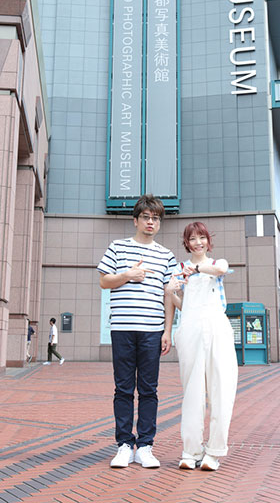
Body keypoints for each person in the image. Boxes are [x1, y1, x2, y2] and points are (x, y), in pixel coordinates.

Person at [97, 194, 177, 469]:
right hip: (122, 328)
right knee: (123, 388)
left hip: (152, 331)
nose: (151, 222)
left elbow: (169, 295)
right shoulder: (117, 247)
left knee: (148, 389)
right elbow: (104, 281)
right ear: (135, 220)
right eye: (146, 217)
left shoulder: (166, 255)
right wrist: (127, 276)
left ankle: (145, 446)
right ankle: (123, 445)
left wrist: (167, 331)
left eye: (155, 218)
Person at [166, 221, 238, 472]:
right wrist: (171, 291)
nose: (198, 243)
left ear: (208, 240)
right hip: (191, 329)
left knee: (221, 389)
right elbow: (181, 305)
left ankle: (214, 452)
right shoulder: (179, 270)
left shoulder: (217, 263)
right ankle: (191, 451)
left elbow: (220, 270)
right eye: (192, 239)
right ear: (186, 243)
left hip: (217, 328)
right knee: (192, 392)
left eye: (202, 238)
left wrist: (195, 269)